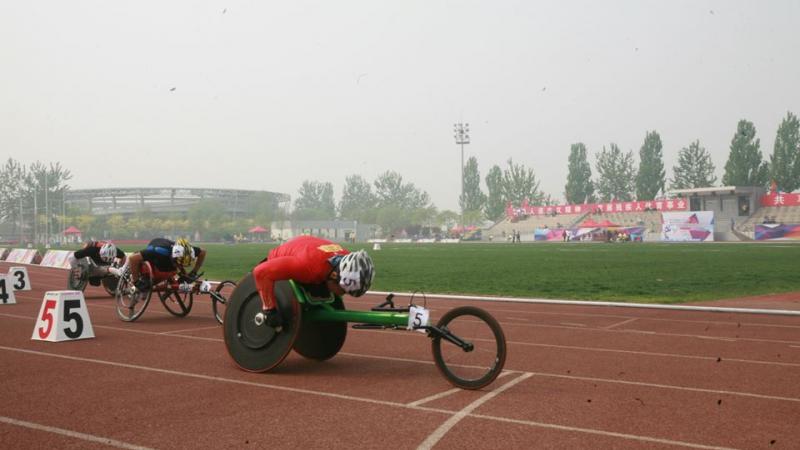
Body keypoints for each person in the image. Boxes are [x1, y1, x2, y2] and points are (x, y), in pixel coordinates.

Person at [252, 235, 374, 329]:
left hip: (308, 247)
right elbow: (260, 272)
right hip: (288, 256)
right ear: (334, 275)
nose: (341, 294)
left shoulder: (346, 258)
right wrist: (269, 310)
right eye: (343, 290)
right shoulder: (307, 267)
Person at [123, 238, 206, 292]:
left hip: (169, 247)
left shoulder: (188, 250)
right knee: (162, 271)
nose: (180, 267)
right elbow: (132, 259)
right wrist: (136, 281)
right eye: (178, 264)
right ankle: (144, 280)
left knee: (173, 270)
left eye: (183, 265)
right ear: (173, 257)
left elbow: (203, 252)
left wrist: (194, 272)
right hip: (156, 249)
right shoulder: (157, 252)